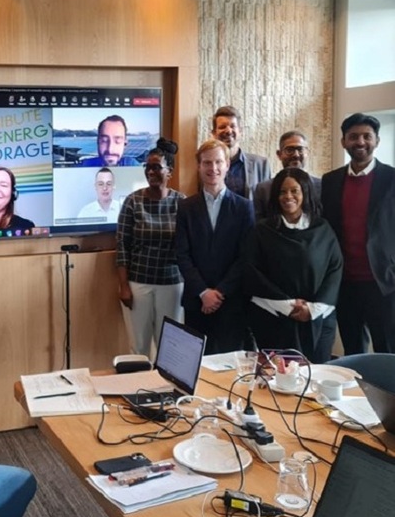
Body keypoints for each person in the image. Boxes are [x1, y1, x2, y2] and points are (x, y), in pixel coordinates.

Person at [245, 168, 342, 362]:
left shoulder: (322, 229)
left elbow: (335, 269)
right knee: (277, 384)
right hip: (273, 317)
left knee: (316, 379)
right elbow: (252, 272)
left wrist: (312, 309)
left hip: (318, 318)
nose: (288, 196)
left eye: (294, 190)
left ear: (305, 192)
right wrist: (288, 306)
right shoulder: (262, 231)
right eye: (282, 191)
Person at [322, 113, 395, 354]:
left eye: (367, 136)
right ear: (344, 142)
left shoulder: (391, 178)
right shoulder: (330, 181)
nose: (360, 142)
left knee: (387, 352)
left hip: (383, 283)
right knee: (353, 353)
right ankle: (358, 394)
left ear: (377, 141)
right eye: (353, 137)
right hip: (345, 283)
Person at [176, 139, 255, 353]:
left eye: (218, 162)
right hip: (196, 301)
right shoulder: (185, 207)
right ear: (199, 166)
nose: (213, 168)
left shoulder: (244, 207)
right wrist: (203, 292)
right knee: (196, 366)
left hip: (231, 302)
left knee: (228, 368)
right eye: (207, 163)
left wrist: (219, 292)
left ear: (227, 165)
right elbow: (182, 255)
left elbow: (245, 256)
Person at [116, 139, 185, 356]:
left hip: (172, 284)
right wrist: (124, 286)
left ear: (169, 172)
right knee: (139, 347)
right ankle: (138, 389)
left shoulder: (182, 202)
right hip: (138, 283)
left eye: (156, 167)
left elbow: (190, 247)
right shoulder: (132, 201)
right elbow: (122, 246)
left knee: (170, 347)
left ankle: (167, 390)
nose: (151, 172)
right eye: (147, 167)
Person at [253, 130, 322, 220]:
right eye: (289, 150)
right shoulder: (264, 189)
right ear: (279, 154)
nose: (296, 155)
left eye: (300, 149)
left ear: (307, 153)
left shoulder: (321, 186)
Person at [211, 105, 270, 200]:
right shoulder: (206, 165)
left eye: (233, 126)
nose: (228, 130)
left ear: (240, 131)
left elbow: (268, 202)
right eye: (222, 127)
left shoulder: (261, 164)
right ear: (214, 133)